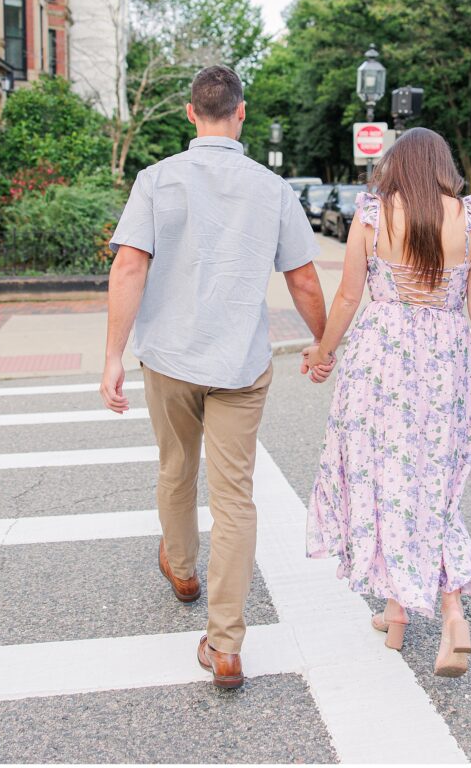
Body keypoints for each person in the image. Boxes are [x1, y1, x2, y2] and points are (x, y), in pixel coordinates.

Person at [100, 65, 330, 689]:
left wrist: (113, 355)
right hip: (239, 363)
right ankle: (225, 644)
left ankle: (181, 569)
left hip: (170, 360)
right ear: (241, 112)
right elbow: (303, 278)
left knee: (176, 467)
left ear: (189, 113)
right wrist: (322, 340)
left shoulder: (156, 180)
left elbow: (128, 270)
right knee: (234, 498)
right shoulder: (272, 188)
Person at [303, 127, 471, 678]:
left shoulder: (372, 216)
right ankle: (420, 615)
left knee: (385, 479)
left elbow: (347, 296)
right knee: (433, 486)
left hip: (379, 360)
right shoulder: (470, 218)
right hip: (446, 361)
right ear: (442, 166)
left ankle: (422, 611)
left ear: (394, 164)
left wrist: (322, 351)